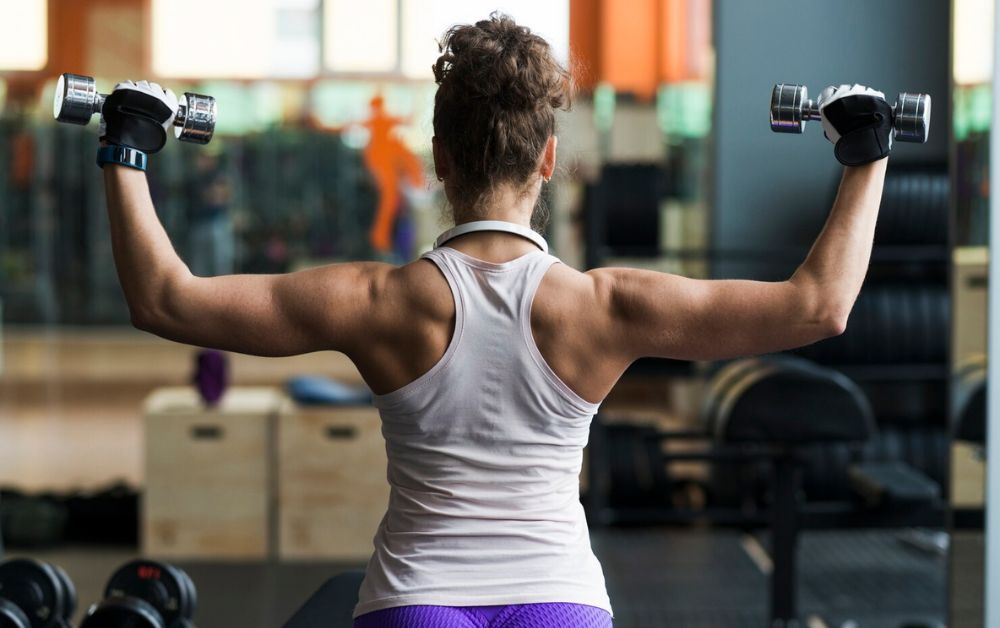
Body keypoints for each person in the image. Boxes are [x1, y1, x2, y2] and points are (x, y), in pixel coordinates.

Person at [94, 13, 891, 628]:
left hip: (414, 600)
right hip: (560, 601)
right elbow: (818, 304)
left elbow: (164, 298)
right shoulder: (603, 306)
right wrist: (867, 154)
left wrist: (126, 149)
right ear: (547, 159)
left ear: (439, 157)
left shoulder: (378, 302)